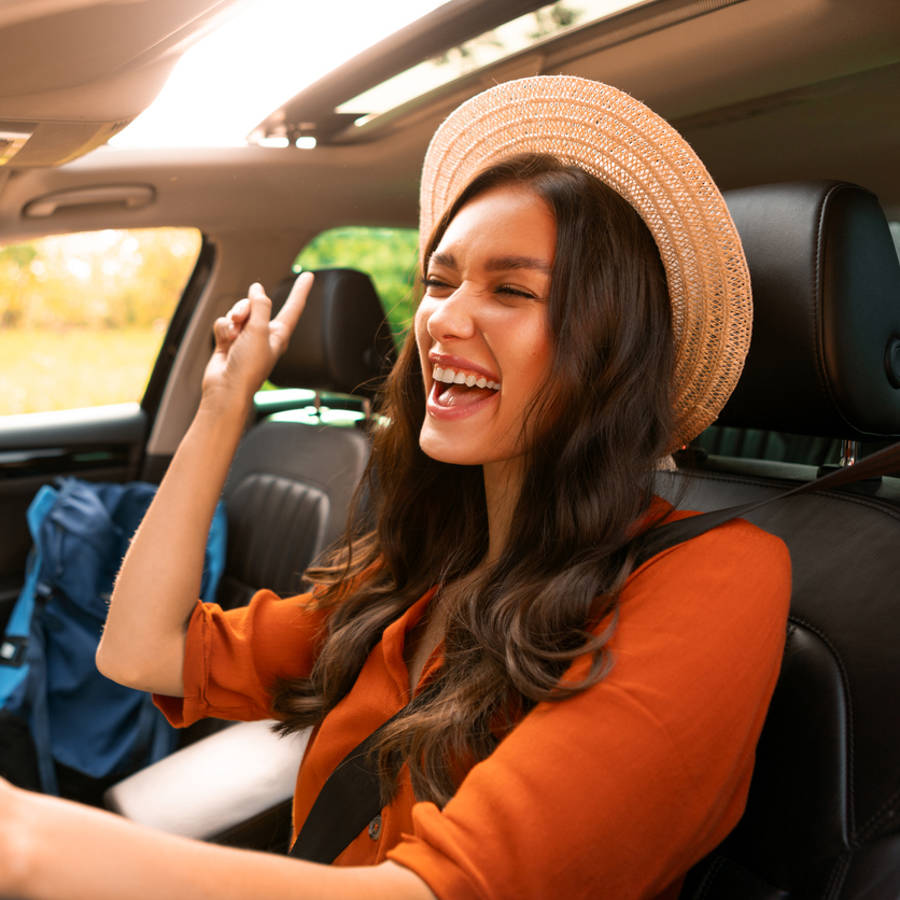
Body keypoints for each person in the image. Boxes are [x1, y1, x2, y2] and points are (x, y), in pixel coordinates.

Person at [0, 76, 790, 899]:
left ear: (610, 354)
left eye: (511, 290)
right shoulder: (419, 573)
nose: (440, 319)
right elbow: (140, 652)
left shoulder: (719, 576)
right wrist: (222, 403)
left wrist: (32, 848)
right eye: (441, 282)